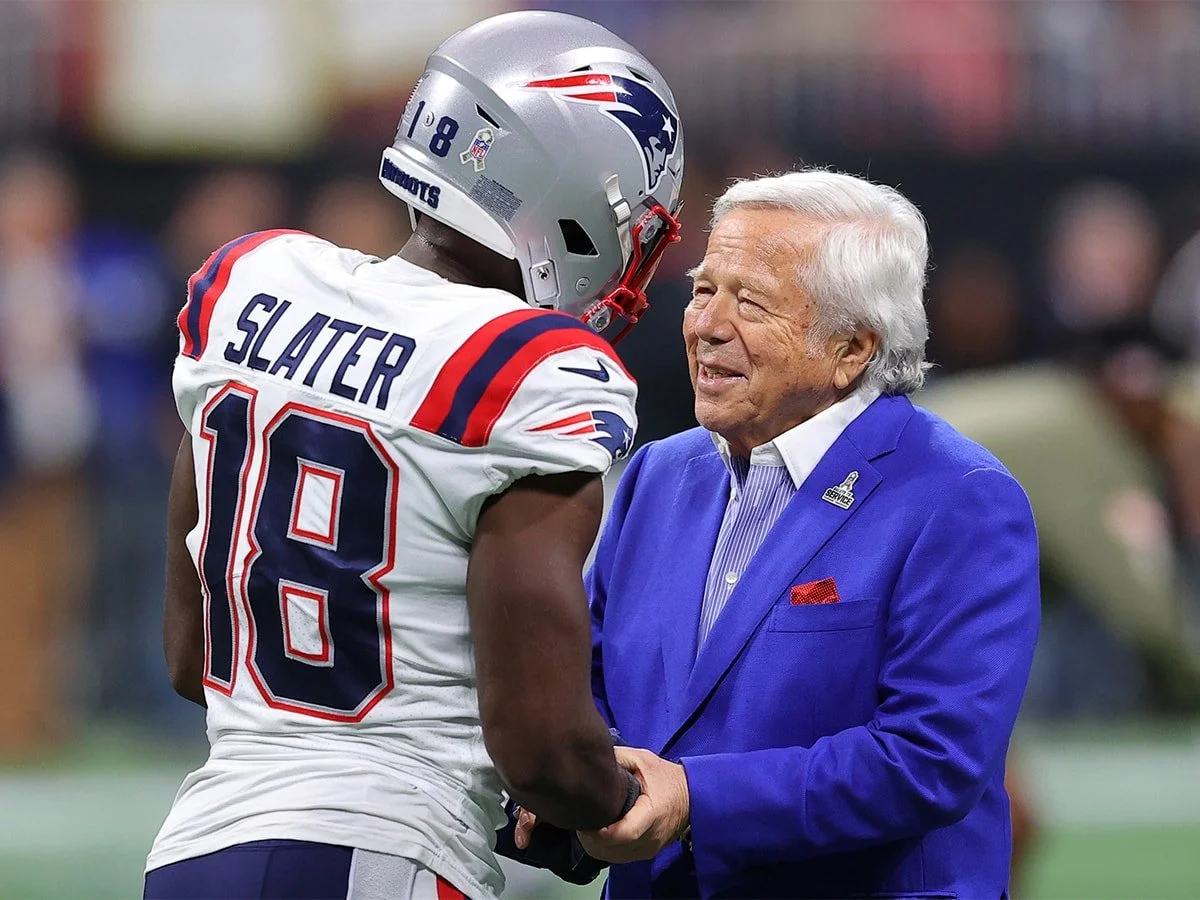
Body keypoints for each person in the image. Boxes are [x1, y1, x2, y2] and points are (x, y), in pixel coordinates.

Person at [143, 10, 683, 900]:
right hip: (382, 848)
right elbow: (542, 745)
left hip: (196, 851)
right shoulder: (531, 369)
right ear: (583, 193)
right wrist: (617, 802)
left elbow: (192, 652)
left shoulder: (250, 283)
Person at [520, 170, 1040, 897]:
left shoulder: (961, 499)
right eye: (704, 290)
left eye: (751, 303)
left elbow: (931, 759)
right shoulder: (655, 477)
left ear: (851, 349)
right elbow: (590, 685)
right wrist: (578, 790)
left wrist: (695, 800)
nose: (705, 325)